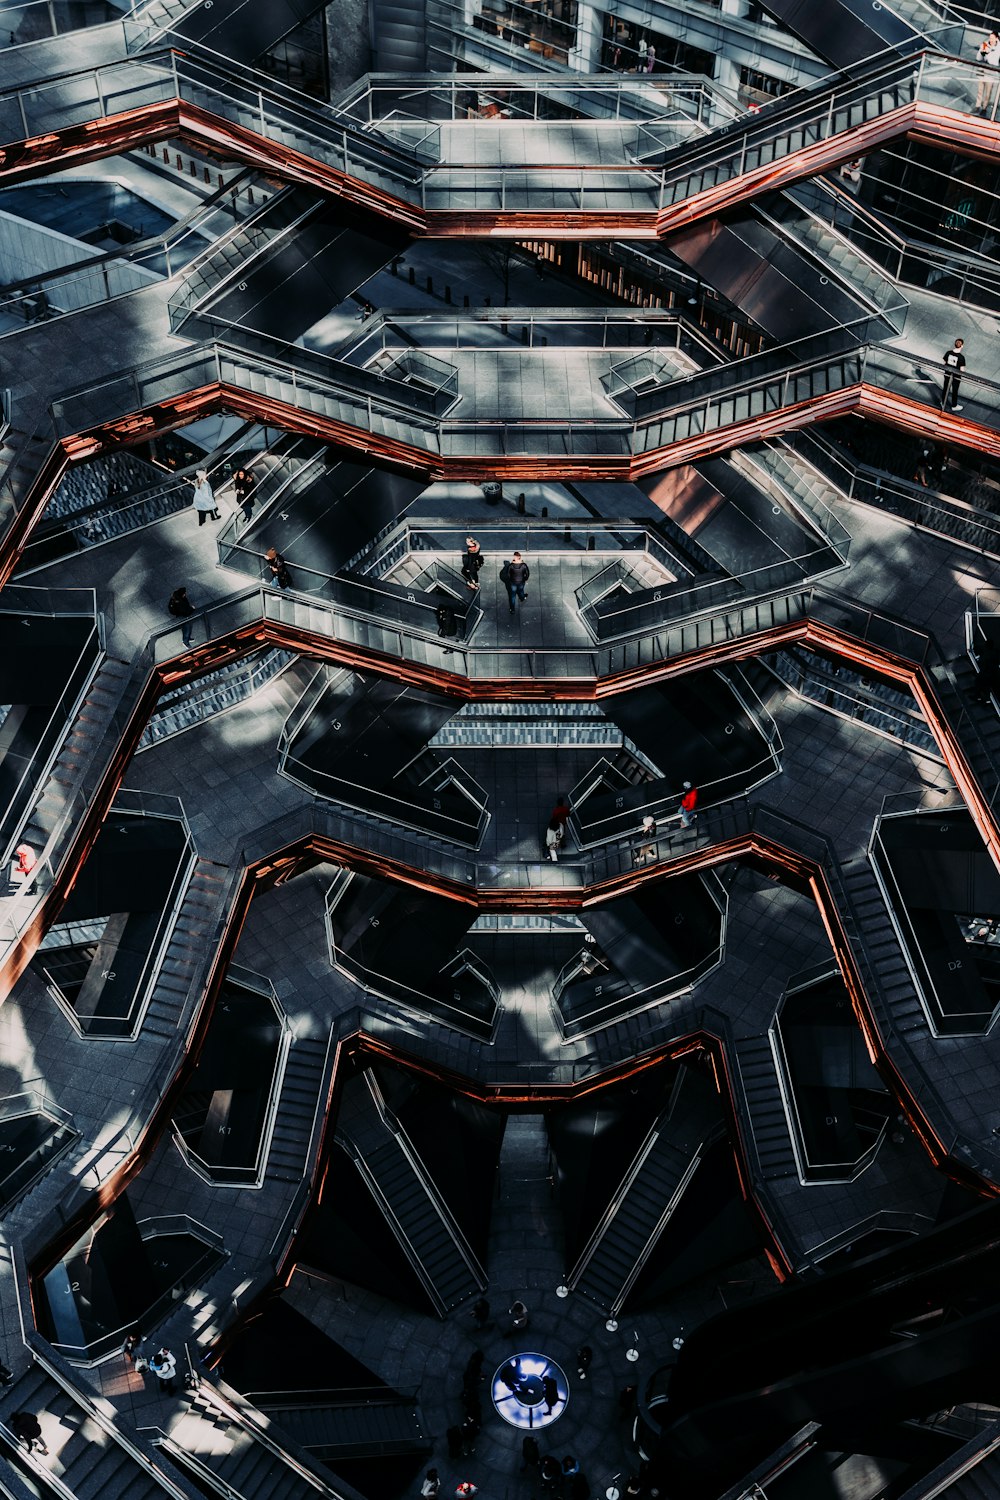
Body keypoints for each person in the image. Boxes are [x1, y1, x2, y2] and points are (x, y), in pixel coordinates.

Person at [974, 31, 1000, 111]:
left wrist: (990, 52)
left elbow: (994, 61)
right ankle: (977, 106)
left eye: (992, 38)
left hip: (991, 71)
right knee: (980, 89)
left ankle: (984, 107)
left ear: (996, 38)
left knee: (988, 92)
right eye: (990, 38)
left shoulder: (999, 48)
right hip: (982, 70)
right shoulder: (985, 44)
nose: (991, 40)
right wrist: (982, 53)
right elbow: (978, 58)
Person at [941, 338, 966, 412]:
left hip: (947, 373)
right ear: (962, 346)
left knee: (946, 388)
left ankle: (943, 402)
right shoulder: (961, 357)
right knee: (955, 390)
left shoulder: (948, 353)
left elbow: (944, 362)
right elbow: (962, 370)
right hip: (956, 376)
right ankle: (954, 405)